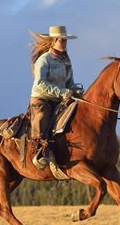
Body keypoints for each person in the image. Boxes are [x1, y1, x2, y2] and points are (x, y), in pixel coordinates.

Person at [28, 26, 83, 170]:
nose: (65, 42)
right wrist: (62, 92)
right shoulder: (44, 59)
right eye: (62, 40)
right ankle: (39, 151)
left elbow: (69, 82)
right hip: (42, 99)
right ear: (53, 41)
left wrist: (75, 89)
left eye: (65, 40)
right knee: (41, 116)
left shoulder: (66, 61)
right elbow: (40, 83)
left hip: (60, 99)